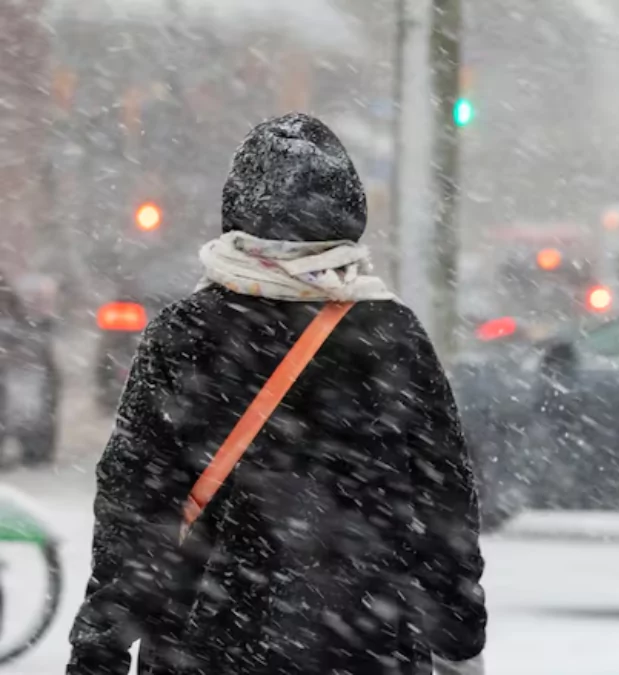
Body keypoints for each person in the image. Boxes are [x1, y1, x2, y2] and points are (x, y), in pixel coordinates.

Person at [67, 113, 486, 675]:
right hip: (365, 642)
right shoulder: (390, 334)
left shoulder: (186, 332)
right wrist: (457, 632)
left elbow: (135, 502)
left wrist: (100, 649)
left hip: (207, 642)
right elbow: (444, 497)